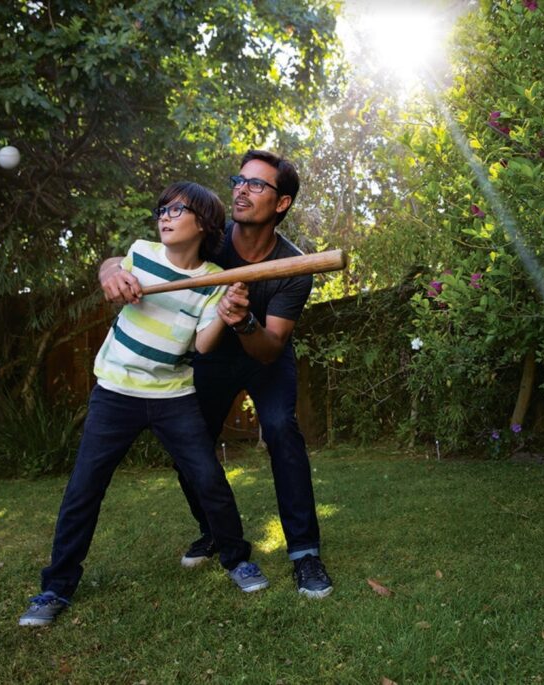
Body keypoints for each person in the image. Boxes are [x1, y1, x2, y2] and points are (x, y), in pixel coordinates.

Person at [19, 182, 268, 628]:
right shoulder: (141, 253)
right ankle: (55, 586)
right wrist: (112, 275)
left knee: (208, 478)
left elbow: (203, 344)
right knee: (84, 489)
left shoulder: (212, 280)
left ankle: (236, 559)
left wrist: (229, 311)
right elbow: (114, 272)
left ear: (204, 223)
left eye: (177, 209)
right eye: (162, 209)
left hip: (173, 396)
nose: (165, 215)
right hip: (115, 391)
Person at [100, 151, 333, 599]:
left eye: (256, 185)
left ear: (281, 203)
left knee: (283, 431)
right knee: (188, 446)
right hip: (209, 354)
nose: (241, 190)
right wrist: (110, 268)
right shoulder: (210, 240)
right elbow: (144, 257)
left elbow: (271, 347)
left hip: (263, 353)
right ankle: (215, 531)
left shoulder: (294, 268)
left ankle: (304, 553)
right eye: (239, 181)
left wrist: (243, 320)